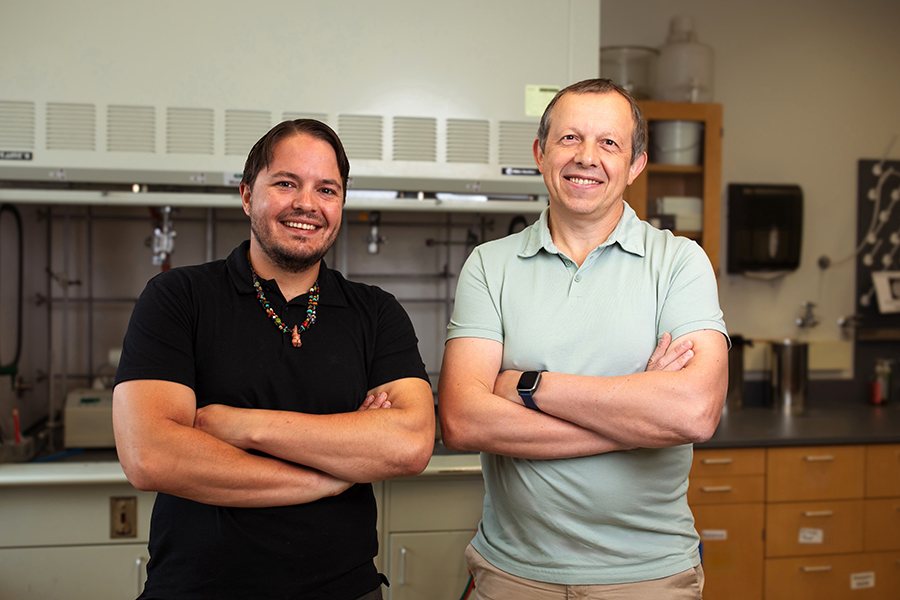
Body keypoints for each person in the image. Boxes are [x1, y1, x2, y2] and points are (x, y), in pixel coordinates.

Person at [113, 119, 435, 600]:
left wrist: (241, 426)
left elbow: (410, 443)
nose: (307, 203)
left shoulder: (375, 312)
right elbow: (151, 456)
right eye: (286, 183)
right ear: (247, 195)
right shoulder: (179, 298)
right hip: (198, 590)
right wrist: (329, 476)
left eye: (327, 189)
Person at [438, 78, 729, 599]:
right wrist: (638, 420)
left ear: (636, 163)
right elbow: (461, 419)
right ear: (541, 153)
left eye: (609, 143)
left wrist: (529, 385)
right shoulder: (489, 265)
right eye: (570, 139)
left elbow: (694, 413)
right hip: (512, 576)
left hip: (649, 578)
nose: (586, 157)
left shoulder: (680, 263)